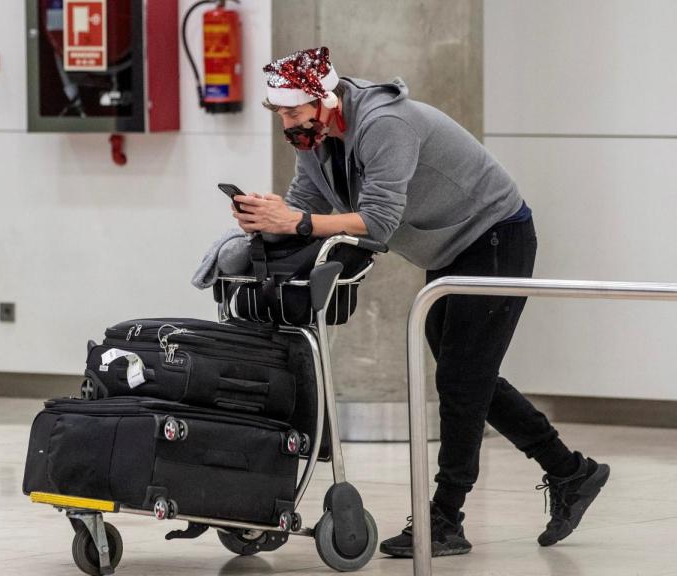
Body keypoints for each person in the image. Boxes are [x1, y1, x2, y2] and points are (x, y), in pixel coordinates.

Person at [234, 47, 610, 558]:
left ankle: (446, 519)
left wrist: (294, 223)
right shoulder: (316, 137)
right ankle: (571, 471)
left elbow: (379, 221)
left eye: (293, 112)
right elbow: (308, 203)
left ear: (324, 99)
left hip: (494, 235)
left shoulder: (385, 124)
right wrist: (267, 215)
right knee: (468, 375)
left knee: (461, 379)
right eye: (280, 114)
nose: (287, 123)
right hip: (450, 248)